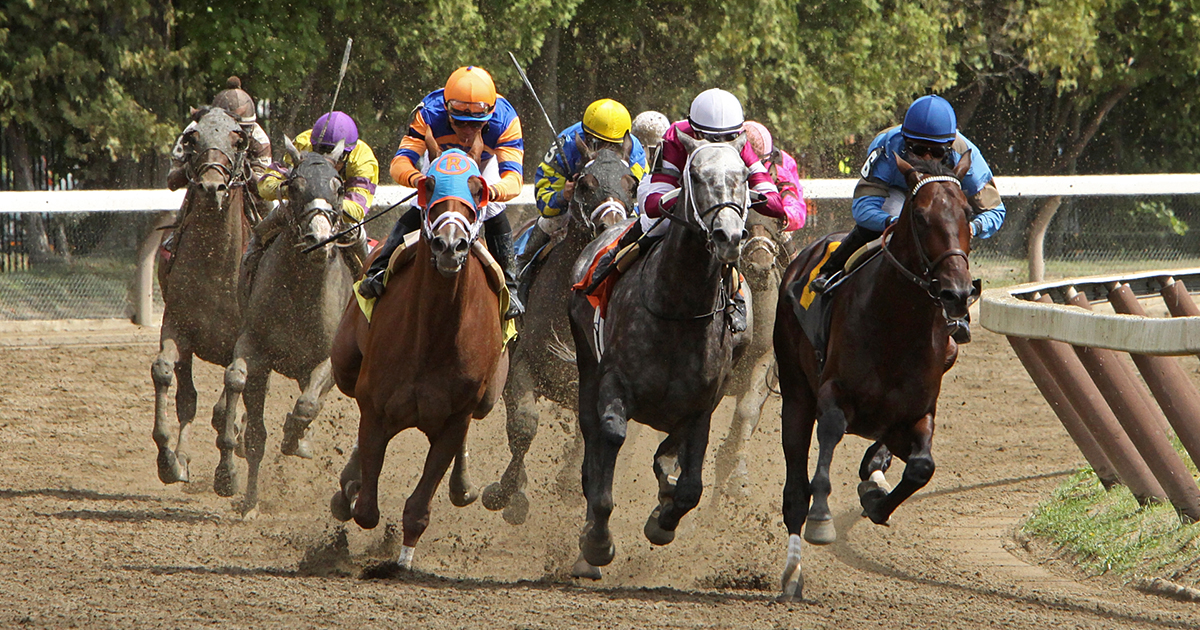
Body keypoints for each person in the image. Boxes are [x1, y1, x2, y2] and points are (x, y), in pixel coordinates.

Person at [587, 88, 786, 332]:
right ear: (696, 132)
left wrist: (733, 200)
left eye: (727, 139)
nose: (721, 145)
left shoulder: (738, 141)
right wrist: (697, 201)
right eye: (712, 139)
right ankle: (614, 259)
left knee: (730, 229)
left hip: (716, 205)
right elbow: (653, 204)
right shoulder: (676, 136)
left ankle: (735, 296)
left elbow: (776, 204)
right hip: (676, 193)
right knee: (657, 226)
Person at [358, 65, 526, 319]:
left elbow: (514, 180)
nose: (467, 133)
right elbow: (399, 163)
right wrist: (419, 180)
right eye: (459, 123)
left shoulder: (507, 120)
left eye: (477, 125)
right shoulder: (428, 113)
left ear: (490, 115)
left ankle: (510, 288)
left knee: (492, 207)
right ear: (446, 110)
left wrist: (489, 191)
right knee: (423, 203)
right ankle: (379, 270)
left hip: (483, 164)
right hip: (440, 161)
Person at [808, 94, 1005, 294]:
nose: (927, 158)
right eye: (918, 150)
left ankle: (959, 301)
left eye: (936, 152)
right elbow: (863, 208)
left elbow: (996, 211)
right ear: (905, 141)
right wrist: (894, 221)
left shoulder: (966, 153)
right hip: (898, 194)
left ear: (949, 146)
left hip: (941, 199)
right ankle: (832, 270)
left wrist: (973, 227)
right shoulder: (887, 146)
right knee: (889, 212)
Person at [245, 111, 378, 300]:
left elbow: (357, 211)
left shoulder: (363, 160)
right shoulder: (302, 143)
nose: (324, 159)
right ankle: (247, 279)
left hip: (340, 214)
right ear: (313, 144)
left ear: (347, 155)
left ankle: (368, 283)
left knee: (359, 238)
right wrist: (294, 189)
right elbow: (265, 186)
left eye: (332, 156)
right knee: (260, 232)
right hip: (299, 207)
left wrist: (327, 199)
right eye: (319, 151)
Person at [518, 98, 649, 275]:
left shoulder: (635, 154)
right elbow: (543, 200)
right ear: (586, 137)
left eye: (613, 147)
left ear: (623, 142)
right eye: (598, 144)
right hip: (573, 208)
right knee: (549, 221)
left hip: (616, 211)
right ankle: (520, 270)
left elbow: (643, 200)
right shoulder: (564, 146)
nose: (605, 152)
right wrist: (562, 195)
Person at [164, 76, 272, 249]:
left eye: (244, 129)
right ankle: (176, 237)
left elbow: (262, 188)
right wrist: (191, 167)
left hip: (242, 190)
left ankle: (269, 243)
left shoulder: (259, 139)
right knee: (194, 191)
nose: (240, 133)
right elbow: (172, 181)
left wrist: (245, 169)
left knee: (267, 205)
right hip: (203, 188)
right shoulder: (193, 132)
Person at [742, 120, 807, 232]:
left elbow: (795, 210)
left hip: (769, 219)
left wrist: (783, 216)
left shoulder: (781, 164)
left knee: (786, 244)